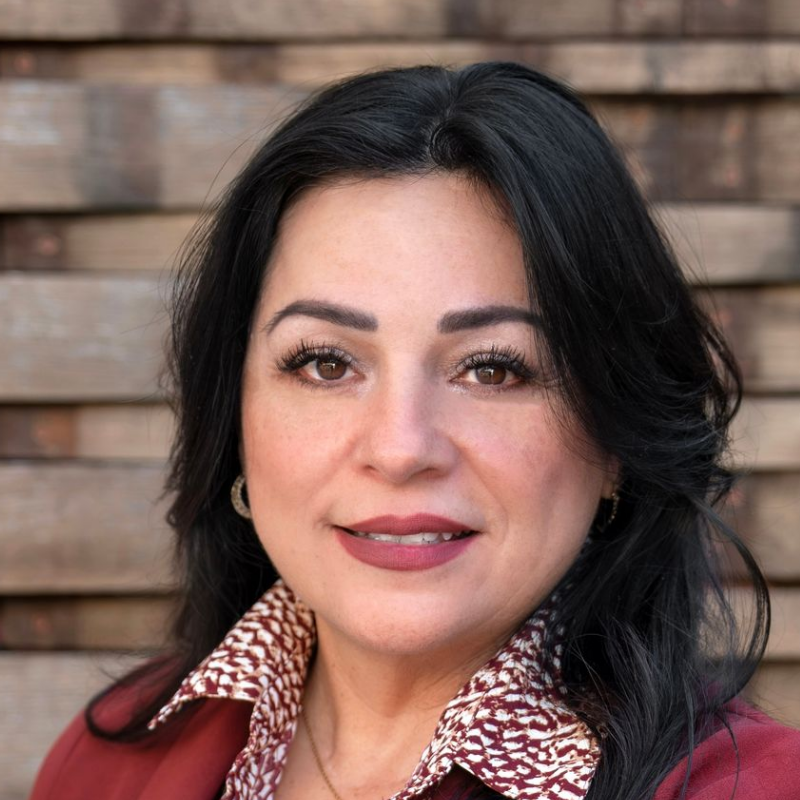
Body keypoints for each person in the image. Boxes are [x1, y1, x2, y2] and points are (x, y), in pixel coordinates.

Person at [30, 61, 800, 800]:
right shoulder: (103, 765)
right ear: (234, 416)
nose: (401, 448)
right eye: (325, 364)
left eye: (494, 369)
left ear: (615, 445)